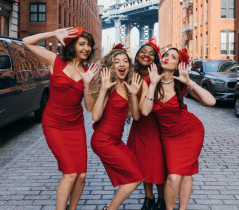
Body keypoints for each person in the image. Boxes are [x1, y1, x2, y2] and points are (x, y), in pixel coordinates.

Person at [23, 27, 99, 210]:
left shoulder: (88, 72)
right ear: (72, 45)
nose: (86, 48)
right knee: (71, 173)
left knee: (81, 175)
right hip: (54, 125)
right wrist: (53, 34)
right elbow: (27, 42)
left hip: (76, 126)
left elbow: (89, 108)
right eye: (82, 44)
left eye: (89, 45)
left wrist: (87, 85)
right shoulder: (54, 61)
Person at [140, 48, 216, 210]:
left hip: (191, 132)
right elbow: (145, 111)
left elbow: (211, 102)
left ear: (178, 65)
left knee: (186, 174)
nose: (167, 58)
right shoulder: (149, 80)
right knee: (173, 177)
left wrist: (190, 82)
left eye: (173, 57)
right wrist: (153, 84)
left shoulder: (181, 83)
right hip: (169, 137)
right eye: (166, 55)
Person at [90, 47, 144, 210]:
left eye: (125, 61)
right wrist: (104, 90)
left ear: (129, 66)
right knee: (135, 178)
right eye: (117, 61)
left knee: (136, 176)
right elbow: (95, 116)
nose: (122, 64)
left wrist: (134, 94)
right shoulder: (109, 86)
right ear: (111, 66)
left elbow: (136, 117)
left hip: (116, 141)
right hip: (103, 141)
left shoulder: (128, 86)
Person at [127, 38, 167, 210]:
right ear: (136, 56)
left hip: (155, 125)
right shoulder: (130, 75)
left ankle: (162, 199)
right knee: (142, 164)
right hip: (139, 126)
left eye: (151, 54)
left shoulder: (158, 75)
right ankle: (148, 198)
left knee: (157, 164)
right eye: (143, 52)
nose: (147, 55)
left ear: (155, 59)